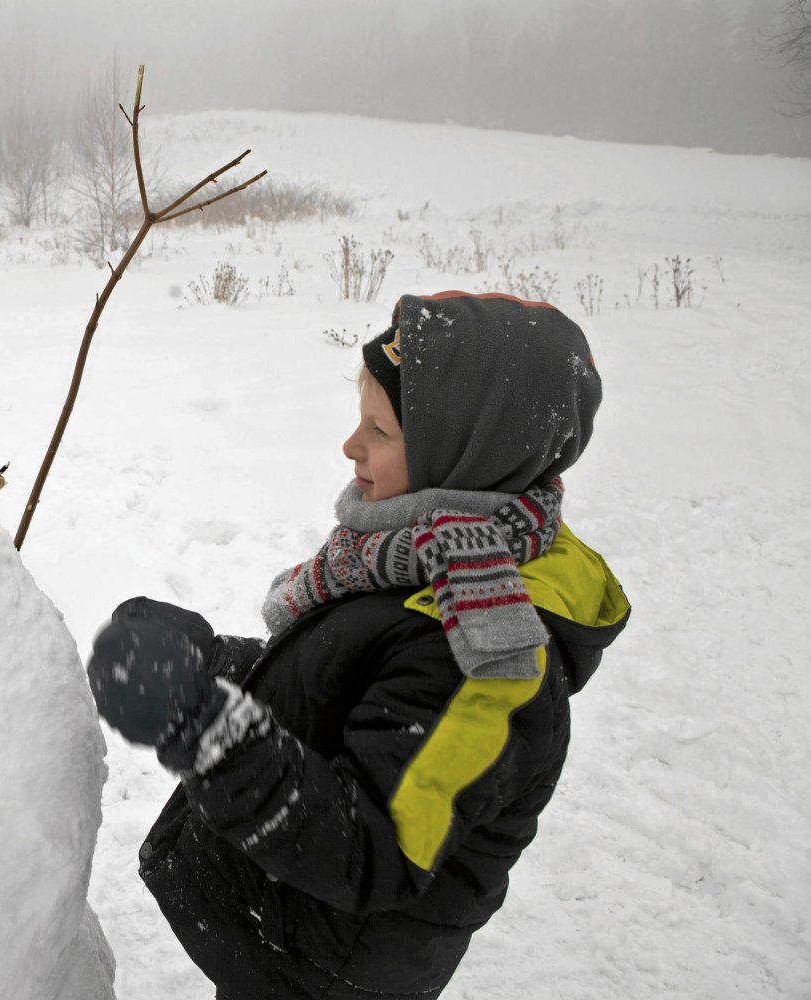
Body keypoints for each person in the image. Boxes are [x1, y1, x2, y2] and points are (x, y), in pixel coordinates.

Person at [86, 290, 631, 999]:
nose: (351, 446)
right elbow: (345, 697)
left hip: (320, 974)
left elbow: (373, 847)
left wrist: (204, 724)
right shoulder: (426, 552)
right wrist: (212, 664)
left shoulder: (482, 646)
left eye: (380, 428)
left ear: (465, 455)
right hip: (285, 942)